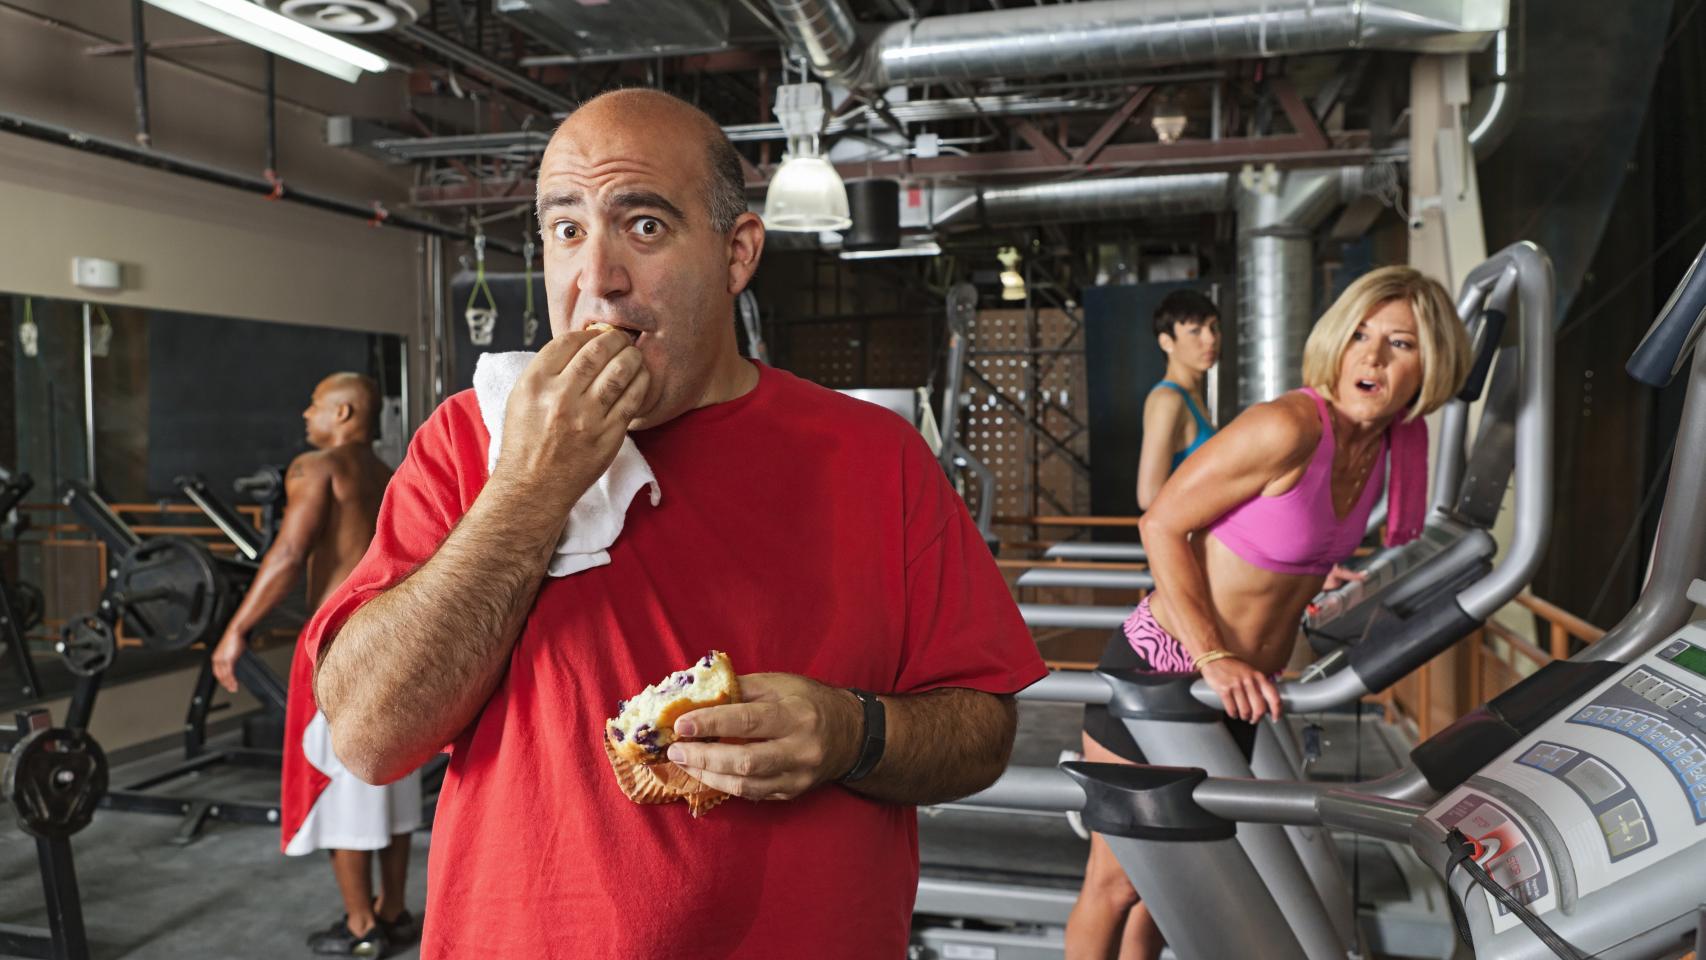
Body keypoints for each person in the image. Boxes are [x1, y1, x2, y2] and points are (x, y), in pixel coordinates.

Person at [296, 88, 1047, 960]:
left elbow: (981, 731)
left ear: (737, 254)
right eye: (566, 230)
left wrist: (852, 732)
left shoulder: (876, 456)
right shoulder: (472, 441)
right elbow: (367, 738)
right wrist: (532, 486)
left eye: (643, 226)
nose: (596, 278)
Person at [1064, 266, 1472, 960]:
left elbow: (1287, 542)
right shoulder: (1287, 427)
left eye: (1399, 344)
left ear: (1431, 363)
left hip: (1240, 694)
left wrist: (1319, 571)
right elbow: (1161, 521)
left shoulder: (1392, 446)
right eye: (1360, 336)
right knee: (1117, 883)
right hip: (1167, 667)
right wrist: (1215, 656)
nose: (1371, 357)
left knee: (1179, 883)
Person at [211, 372, 419, 958]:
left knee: (338, 785)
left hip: (338, 643)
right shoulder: (393, 472)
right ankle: (395, 910)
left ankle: (360, 928)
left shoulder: (317, 467)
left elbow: (287, 554)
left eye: (316, 406)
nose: (307, 415)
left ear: (346, 413)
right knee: (391, 777)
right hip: (393, 636)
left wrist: (236, 631)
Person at [1135, 289, 1219, 511]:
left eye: (1213, 327)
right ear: (1166, 342)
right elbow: (1149, 496)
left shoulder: (1192, 397)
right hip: (1187, 541)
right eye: (1195, 331)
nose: (1210, 339)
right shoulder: (1167, 400)